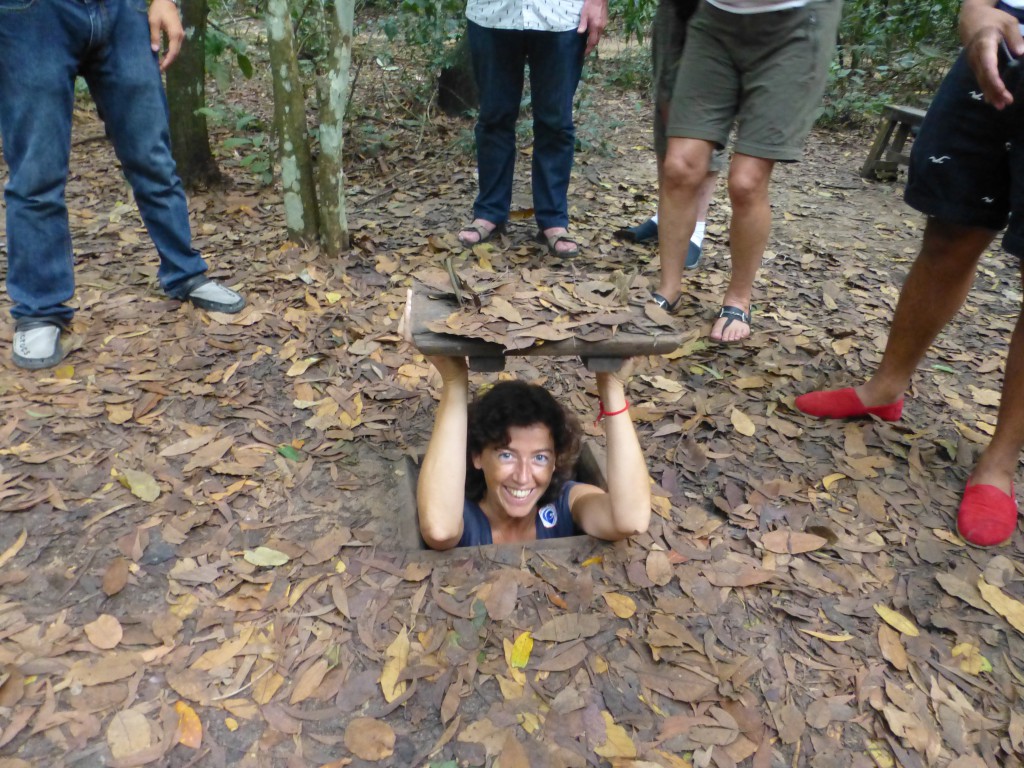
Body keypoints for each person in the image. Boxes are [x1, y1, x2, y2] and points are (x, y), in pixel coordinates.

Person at [795, 0, 1024, 547]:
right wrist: (978, 17)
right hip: (996, 54)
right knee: (950, 230)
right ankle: (885, 387)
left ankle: (1000, 460)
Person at [0, 0, 246, 371]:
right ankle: (39, 309)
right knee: (37, 171)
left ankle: (186, 274)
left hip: (123, 11)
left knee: (153, 157)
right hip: (30, 15)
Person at [651, 0, 842, 341]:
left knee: (746, 182)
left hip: (794, 25)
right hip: (714, 19)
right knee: (680, 166)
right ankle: (669, 289)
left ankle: (738, 298)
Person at [416, 356, 651, 549]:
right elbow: (439, 530)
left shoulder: (567, 502)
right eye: (506, 455)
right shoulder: (462, 515)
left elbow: (630, 521)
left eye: (540, 458)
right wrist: (455, 381)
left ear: (555, 462)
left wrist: (612, 389)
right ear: (477, 456)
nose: (523, 476)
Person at [456, 0, 607, 259]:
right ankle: (489, 213)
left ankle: (553, 219)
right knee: (493, 118)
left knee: (556, 123)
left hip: (561, 14)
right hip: (492, 13)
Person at [616, 0, 721, 272]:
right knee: (666, 102)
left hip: (722, 10)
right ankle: (666, 217)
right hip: (673, 7)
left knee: (707, 115)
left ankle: (694, 230)